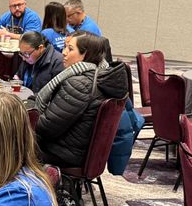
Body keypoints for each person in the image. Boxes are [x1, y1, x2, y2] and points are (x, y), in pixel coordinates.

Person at [34, 33, 130, 168]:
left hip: (64, 154)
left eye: (70, 49)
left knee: (6, 141)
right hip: (85, 153)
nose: (64, 53)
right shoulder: (102, 75)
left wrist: (23, 118)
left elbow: (46, 128)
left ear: (85, 55)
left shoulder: (79, 84)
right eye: (65, 47)